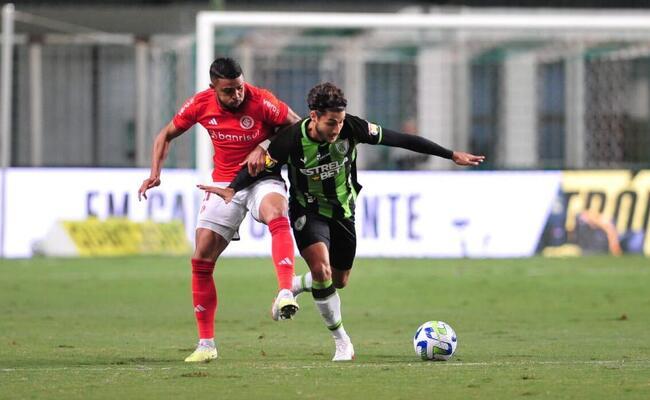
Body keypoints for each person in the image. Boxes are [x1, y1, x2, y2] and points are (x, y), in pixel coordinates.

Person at [197, 82, 485, 361]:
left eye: (340, 122)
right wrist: (232, 188)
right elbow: (257, 169)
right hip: (307, 212)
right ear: (314, 117)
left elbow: (401, 139)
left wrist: (450, 155)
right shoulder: (291, 139)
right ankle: (342, 341)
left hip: (343, 211)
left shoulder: (353, 128)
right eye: (331, 123)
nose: (337, 129)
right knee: (322, 271)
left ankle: (299, 283)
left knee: (339, 280)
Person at [137, 57, 301, 363]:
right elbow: (165, 135)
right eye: (228, 91)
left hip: (261, 177)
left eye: (239, 88)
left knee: (276, 214)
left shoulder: (262, 101)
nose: (237, 95)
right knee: (201, 258)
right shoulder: (200, 104)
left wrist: (265, 145)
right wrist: (155, 173)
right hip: (224, 184)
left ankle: (285, 292)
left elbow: (298, 127)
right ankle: (206, 344)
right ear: (214, 88)